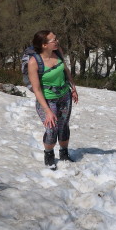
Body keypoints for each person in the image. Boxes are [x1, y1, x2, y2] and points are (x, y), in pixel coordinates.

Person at [28, 30, 79, 168]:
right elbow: (37, 90)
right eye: (53, 40)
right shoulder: (34, 62)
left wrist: (73, 87)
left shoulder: (58, 52)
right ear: (44, 45)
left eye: (56, 39)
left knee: (63, 127)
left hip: (64, 96)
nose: (57, 41)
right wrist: (48, 111)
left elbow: (66, 70)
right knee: (52, 130)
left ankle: (64, 154)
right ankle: (49, 156)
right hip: (47, 101)